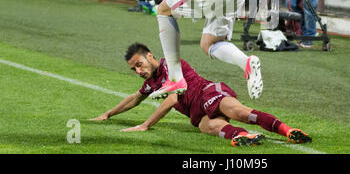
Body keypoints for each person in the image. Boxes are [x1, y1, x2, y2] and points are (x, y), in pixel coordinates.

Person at [90, 43, 312, 146]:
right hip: (196, 112)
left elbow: (172, 99)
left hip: (208, 93)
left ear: (150, 56)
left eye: (139, 65)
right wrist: (108, 114)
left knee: (239, 112)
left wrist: (145, 124)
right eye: (134, 69)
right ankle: (244, 136)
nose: (138, 71)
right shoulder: (151, 82)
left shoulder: (171, 65)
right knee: (210, 127)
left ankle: (287, 130)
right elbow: (134, 98)